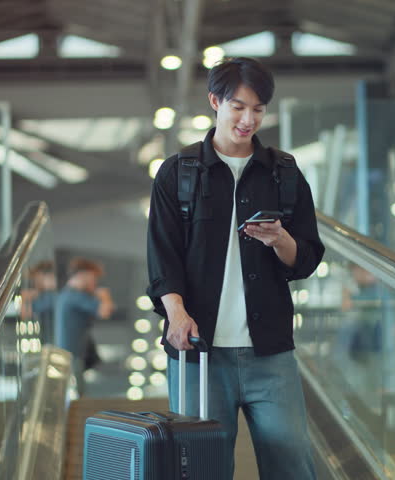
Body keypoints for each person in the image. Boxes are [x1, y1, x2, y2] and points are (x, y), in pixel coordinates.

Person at [146, 57, 324, 479]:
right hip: (199, 352)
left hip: (270, 352)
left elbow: (307, 258)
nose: (248, 119)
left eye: (259, 109)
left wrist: (280, 239)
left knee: (292, 461)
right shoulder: (179, 173)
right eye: (239, 107)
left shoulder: (283, 173)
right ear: (215, 101)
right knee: (201, 468)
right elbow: (162, 254)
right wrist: (175, 312)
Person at [54, 257, 114, 392]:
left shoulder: (66, 294)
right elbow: (105, 311)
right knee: (77, 394)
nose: (95, 283)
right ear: (83, 275)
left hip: (69, 354)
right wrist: (104, 295)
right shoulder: (75, 296)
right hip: (71, 355)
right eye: (93, 278)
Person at [19, 260, 58, 345]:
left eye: (37, 278)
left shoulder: (51, 296)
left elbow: (25, 314)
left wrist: (26, 299)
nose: (36, 282)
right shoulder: (47, 295)